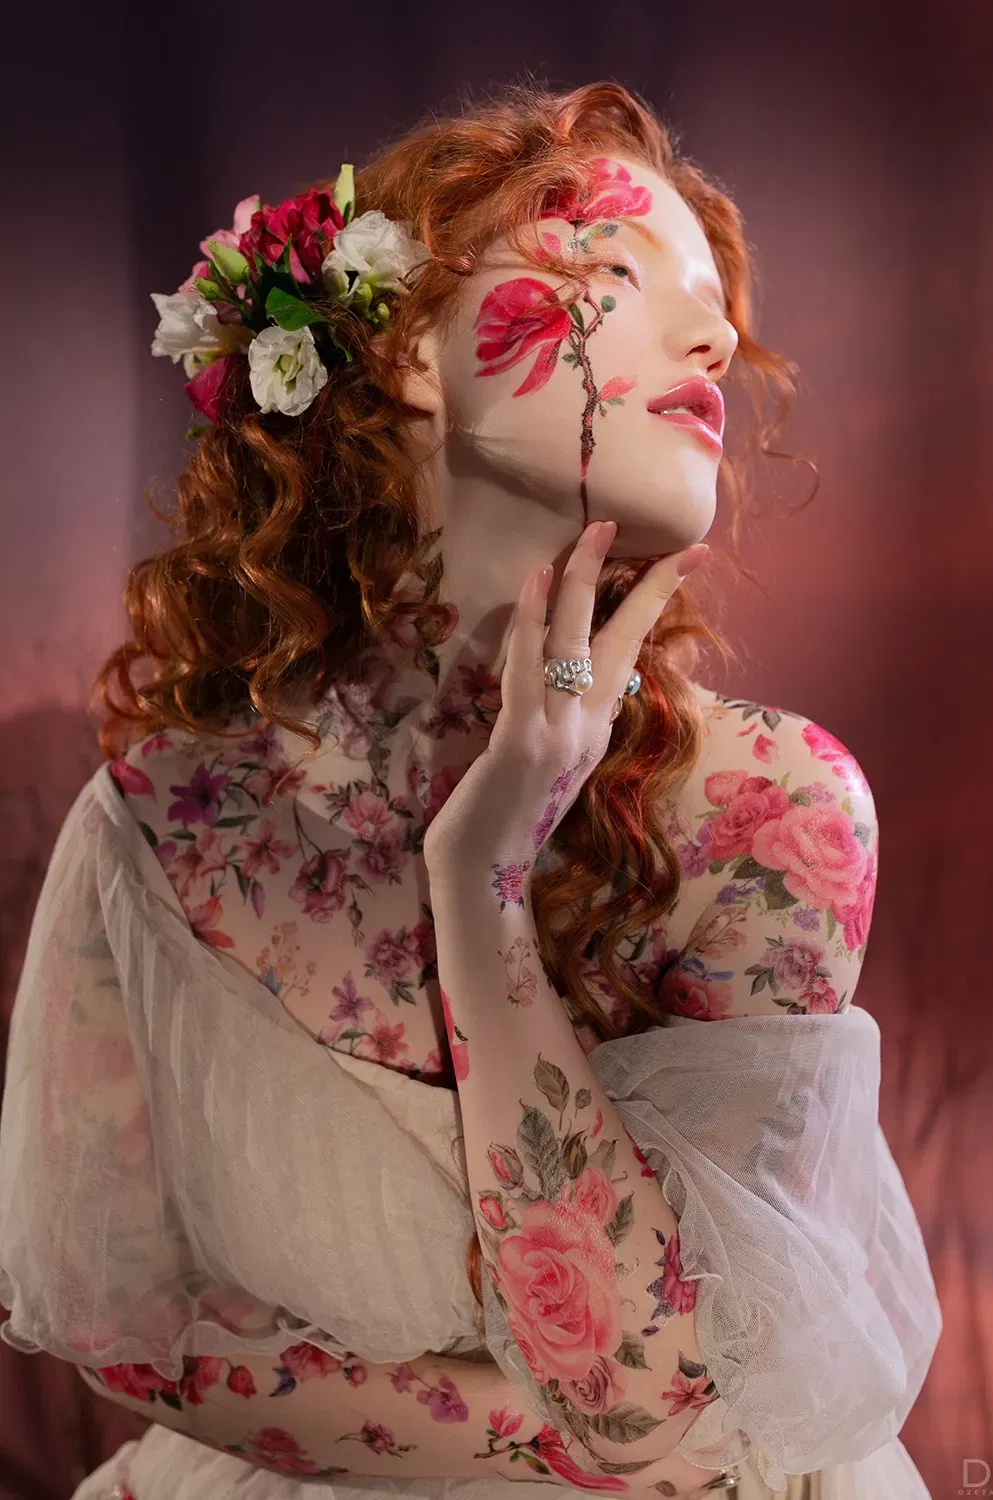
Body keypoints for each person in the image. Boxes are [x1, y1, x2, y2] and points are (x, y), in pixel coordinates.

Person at [0, 82, 941, 1500]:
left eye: (714, 314)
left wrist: (482, 885)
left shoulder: (771, 812)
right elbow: (134, 1334)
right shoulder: (156, 825)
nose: (710, 342)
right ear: (409, 355)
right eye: (616, 270)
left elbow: (640, 1396)